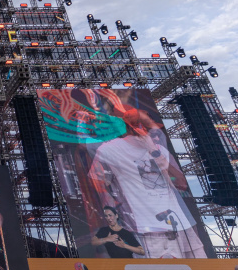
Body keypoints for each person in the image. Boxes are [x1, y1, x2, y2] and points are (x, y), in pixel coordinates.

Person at [88, 108, 207, 258]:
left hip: (181, 225)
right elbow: (96, 180)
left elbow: (181, 183)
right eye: (148, 127)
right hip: (148, 229)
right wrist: (111, 203)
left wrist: (153, 151)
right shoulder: (110, 150)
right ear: (136, 126)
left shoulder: (159, 150)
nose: (153, 133)